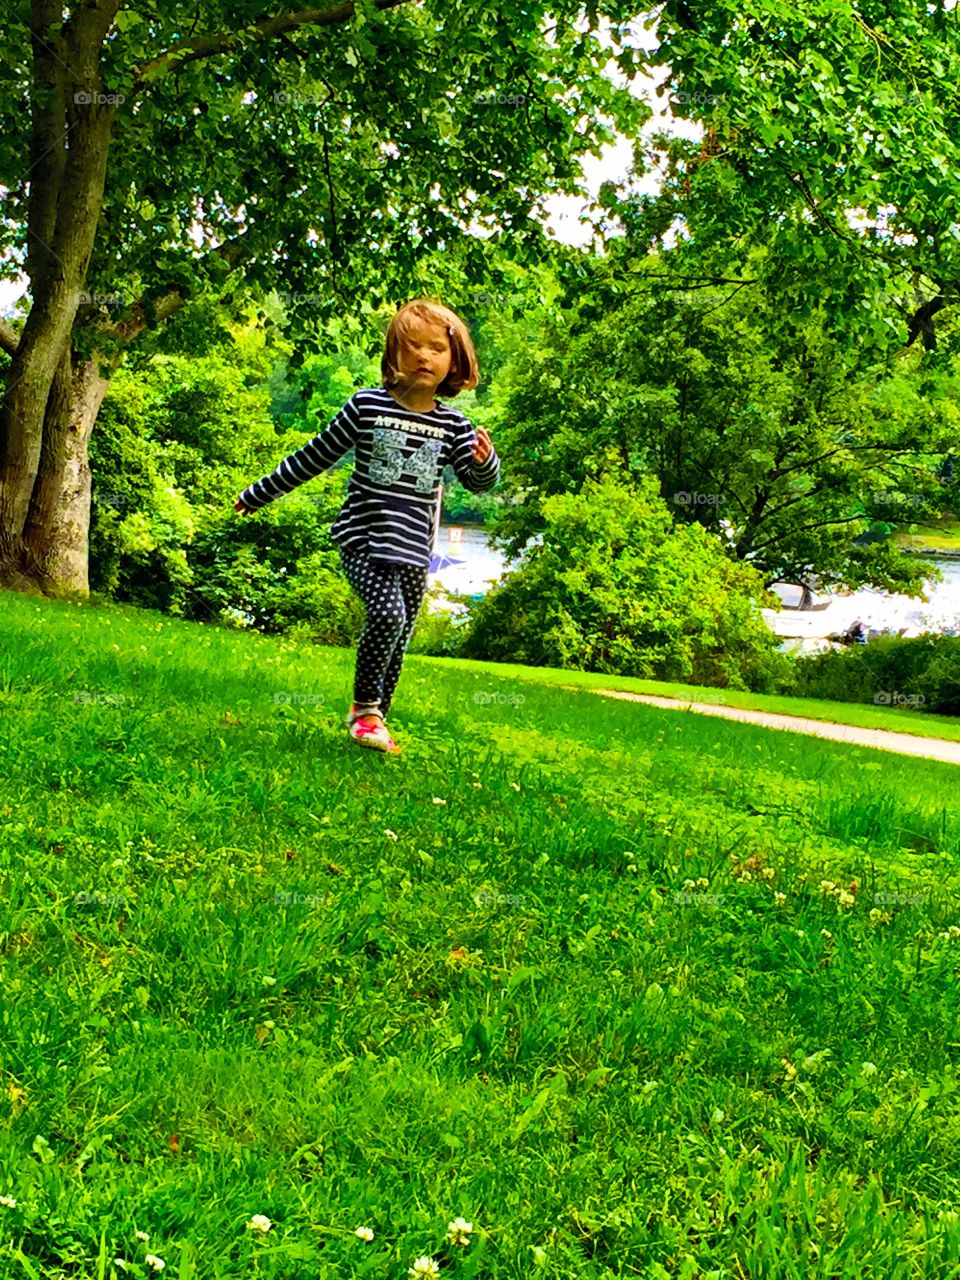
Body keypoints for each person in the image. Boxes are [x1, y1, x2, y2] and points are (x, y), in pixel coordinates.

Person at [234, 298, 500, 753]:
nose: (423, 356)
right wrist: (261, 492)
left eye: (436, 348)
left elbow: (479, 485)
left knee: (400, 637)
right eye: (412, 346)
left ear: (454, 362)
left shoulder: (455, 426)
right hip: (364, 539)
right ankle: (366, 712)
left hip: (416, 550)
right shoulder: (366, 406)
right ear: (393, 356)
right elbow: (314, 457)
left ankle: (377, 718)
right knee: (387, 614)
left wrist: (485, 460)